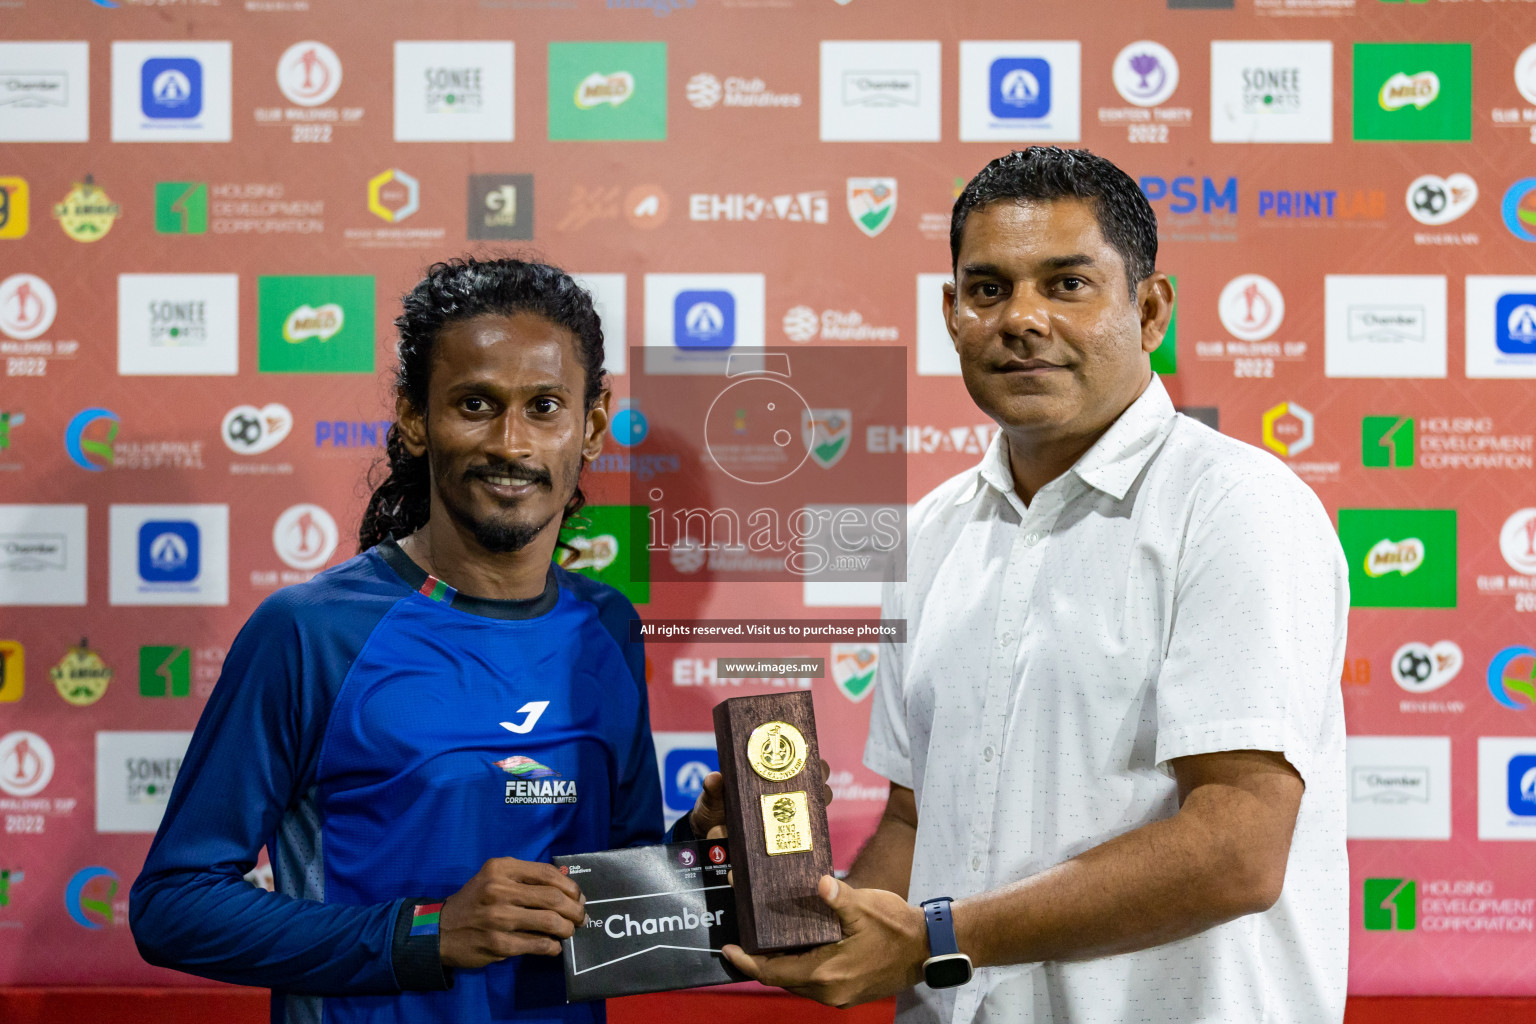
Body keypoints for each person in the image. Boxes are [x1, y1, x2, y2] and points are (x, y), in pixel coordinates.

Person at [722, 147, 1349, 1023]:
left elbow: (1236, 850)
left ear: (1151, 309)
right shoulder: (934, 532)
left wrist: (938, 938)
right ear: (951, 313)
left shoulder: (1237, 508)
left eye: (1066, 285)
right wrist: (806, 900)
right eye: (988, 290)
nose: (1021, 318)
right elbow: (914, 825)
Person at [131, 257, 726, 1024]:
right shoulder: (312, 632)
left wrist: (698, 850)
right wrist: (430, 933)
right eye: (476, 404)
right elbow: (174, 904)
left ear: (592, 426)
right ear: (415, 418)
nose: (512, 443)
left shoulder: (607, 629)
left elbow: (611, 899)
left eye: (545, 406)